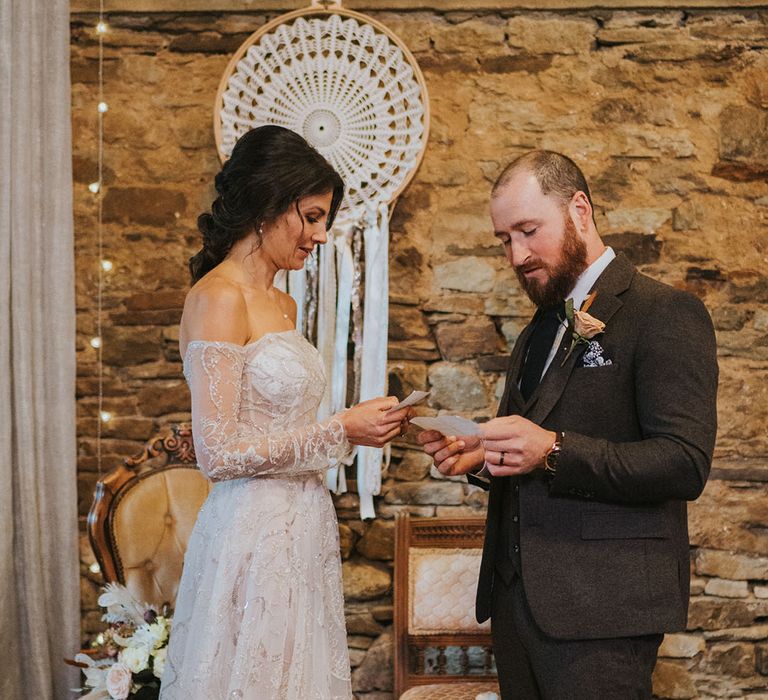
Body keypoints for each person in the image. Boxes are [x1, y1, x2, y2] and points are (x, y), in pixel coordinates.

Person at [417, 151, 718, 699]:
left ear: (579, 209)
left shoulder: (665, 313)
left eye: (529, 231)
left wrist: (552, 449)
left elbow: (683, 462)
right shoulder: (540, 328)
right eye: (504, 240)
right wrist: (483, 457)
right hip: (515, 604)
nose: (517, 255)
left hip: (603, 609)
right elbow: (531, 446)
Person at [160, 125, 411, 700]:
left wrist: (355, 430)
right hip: (249, 535)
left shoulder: (282, 301)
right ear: (269, 204)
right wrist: (340, 428)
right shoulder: (217, 299)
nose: (321, 236)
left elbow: (280, 428)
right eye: (313, 216)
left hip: (303, 527)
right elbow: (219, 455)